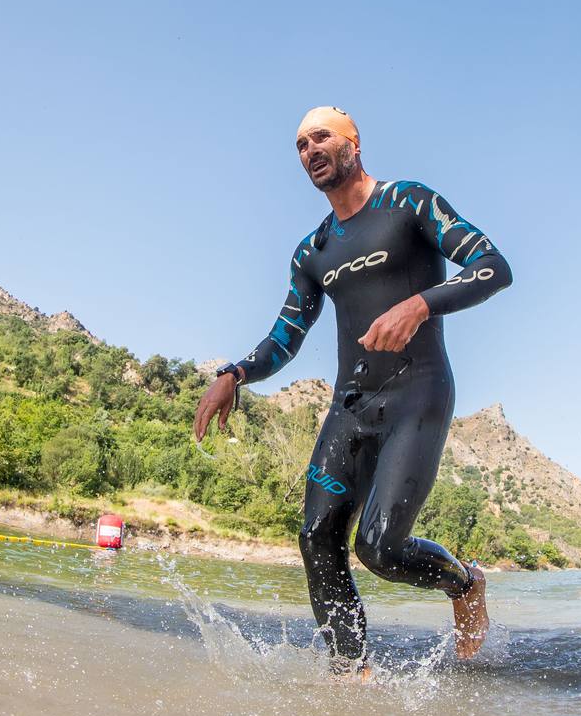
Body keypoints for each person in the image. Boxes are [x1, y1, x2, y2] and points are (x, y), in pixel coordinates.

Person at [193, 106, 512, 671]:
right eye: (299, 145)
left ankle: (465, 583)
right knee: (317, 540)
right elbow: (285, 335)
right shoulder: (312, 250)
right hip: (351, 407)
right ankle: (353, 674)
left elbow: (492, 266)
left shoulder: (409, 202)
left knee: (381, 549)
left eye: (321, 137)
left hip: (418, 392)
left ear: (353, 144)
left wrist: (419, 305)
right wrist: (235, 373)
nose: (310, 150)